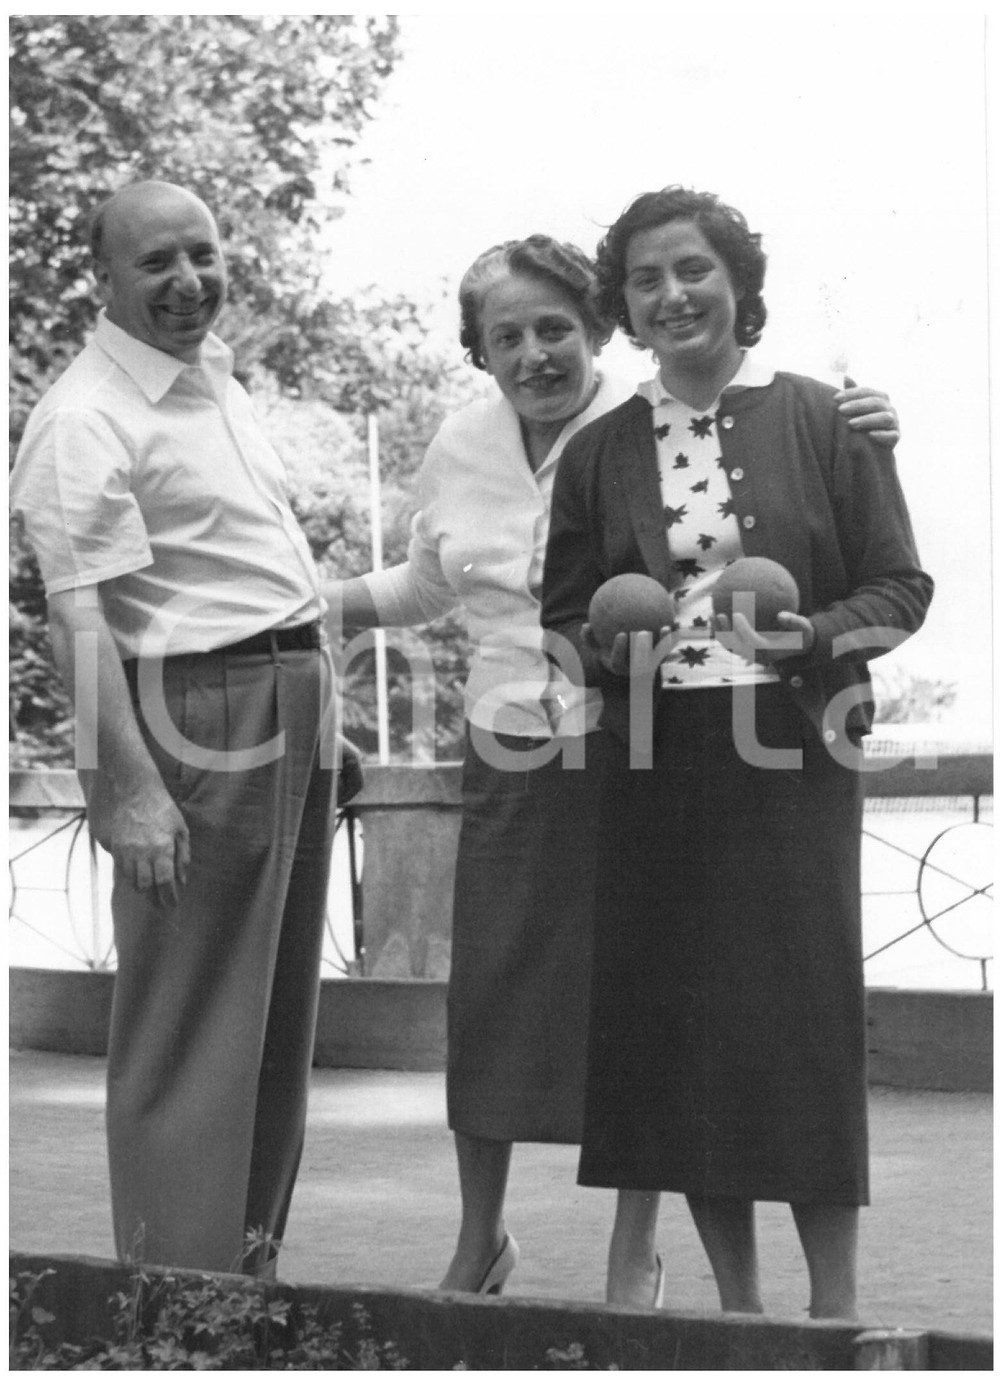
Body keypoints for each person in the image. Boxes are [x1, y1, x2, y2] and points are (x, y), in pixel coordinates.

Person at [330, 232, 902, 1304]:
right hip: (517, 724)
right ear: (479, 352)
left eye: (555, 328)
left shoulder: (645, 417)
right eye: (507, 336)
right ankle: (481, 1236)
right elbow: (425, 582)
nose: (534, 353)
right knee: (498, 995)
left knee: (647, 998)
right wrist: (307, 605)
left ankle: (633, 1250)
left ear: (599, 329)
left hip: (655, 736)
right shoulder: (461, 439)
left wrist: (870, 430)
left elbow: (804, 496)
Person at [541, 186, 932, 1319]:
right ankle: (742, 1317)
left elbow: (900, 590)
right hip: (657, 763)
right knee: (684, 1042)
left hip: (791, 757)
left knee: (799, 1030)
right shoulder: (601, 449)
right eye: (647, 280)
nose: (672, 295)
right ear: (625, 306)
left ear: (737, 284)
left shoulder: (823, 419)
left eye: (692, 270)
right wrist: (610, 648)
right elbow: (562, 619)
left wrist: (809, 633)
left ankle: (834, 1312)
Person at [10, 179, 358, 1276]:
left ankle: (241, 1283)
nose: (187, 282)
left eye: (202, 254)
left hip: (282, 702)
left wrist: (328, 719)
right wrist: (124, 787)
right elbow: (79, 617)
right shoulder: (82, 416)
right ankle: (172, 1304)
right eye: (155, 263)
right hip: (195, 717)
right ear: (103, 280)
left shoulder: (211, 378)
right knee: (189, 1032)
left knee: (268, 1031)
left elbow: (262, 570)